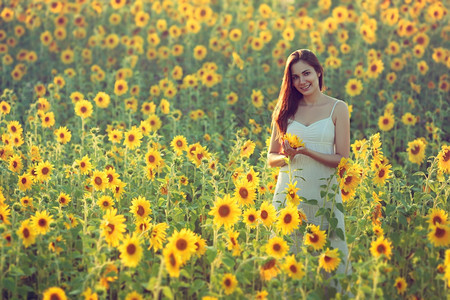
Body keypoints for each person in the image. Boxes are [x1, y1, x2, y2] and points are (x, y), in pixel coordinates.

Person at [267, 49, 352, 286]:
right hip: (290, 195)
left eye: (306, 73)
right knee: (288, 267)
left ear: (318, 72)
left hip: (325, 195)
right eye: (295, 77)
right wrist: (287, 157)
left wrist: (306, 152)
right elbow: (271, 157)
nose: (302, 81)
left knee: (329, 262)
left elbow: (343, 158)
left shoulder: (338, 108)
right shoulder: (284, 111)